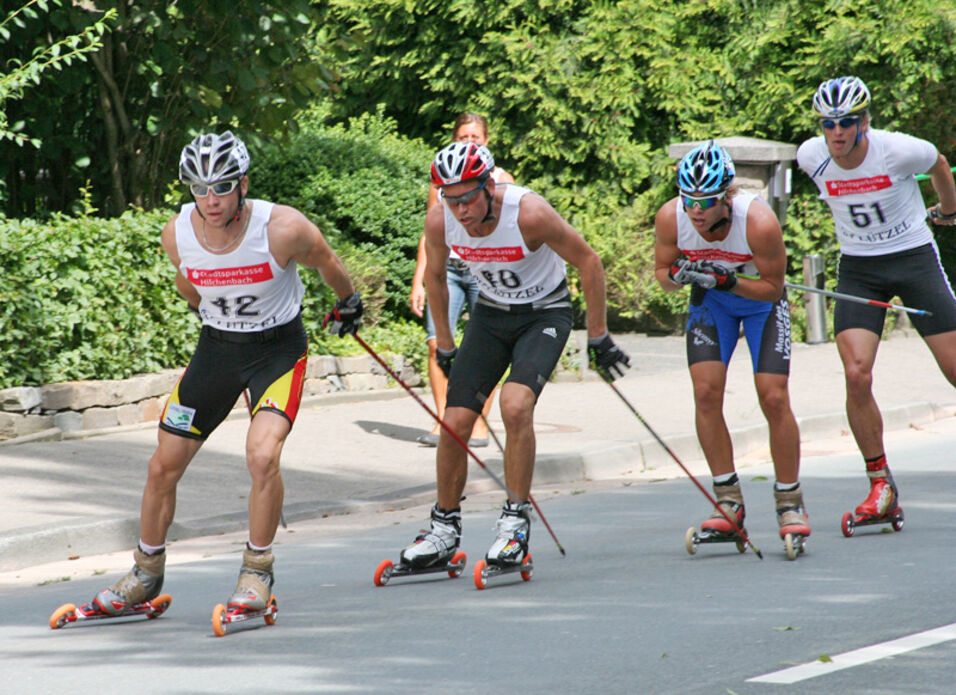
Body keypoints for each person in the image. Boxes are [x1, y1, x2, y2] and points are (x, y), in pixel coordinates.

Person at [87, 131, 361, 619]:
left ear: (243, 184)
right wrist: (213, 313)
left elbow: (328, 262)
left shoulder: (283, 228)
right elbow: (187, 281)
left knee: (262, 456)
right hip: (217, 351)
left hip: (278, 352)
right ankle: (145, 572)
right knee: (161, 466)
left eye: (221, 187)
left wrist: (348, 303)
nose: (210, 201)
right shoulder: (178, 233)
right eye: (198, 189)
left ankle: (257, 570)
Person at [397, 141, 629, 570]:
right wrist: (445, 344)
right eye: (451, 199)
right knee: (455, 422)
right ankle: (443, 529)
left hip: (545, 312)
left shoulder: (528, 213)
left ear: (488, 185)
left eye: (468, 196)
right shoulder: (441, 221)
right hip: (491, 316)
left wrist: (598, 336)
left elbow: (590, 262)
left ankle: (514, 524)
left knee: (515, 404)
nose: (461, 210)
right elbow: (434, 278)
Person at [796, 76, 956, 527]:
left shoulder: (899, 150)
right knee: (855, 373)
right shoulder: (811, 157)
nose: (837, 132)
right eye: (829, 124)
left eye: (847, 122)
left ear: (865, 121)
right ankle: (881, 485)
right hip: (860, 269)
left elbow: (940, 164)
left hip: (913, 259)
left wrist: (949, 211)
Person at [653, 140, 810, 544]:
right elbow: (662, 275)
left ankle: (789, 499)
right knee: (705, 392)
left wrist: (730, 278)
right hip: (713, 302)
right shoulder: (672, 217)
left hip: (758, 300)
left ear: (727, 196)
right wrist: (681, 275)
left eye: (706, 201)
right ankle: (728, 501)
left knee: (772, 396)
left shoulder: (757, 221)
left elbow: (774, 289)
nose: (696, 211)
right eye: (689, 199)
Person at [409, 113, 515, 447]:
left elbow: (508, 228)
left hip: (484, 270)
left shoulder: (499, 178)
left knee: (487, 349)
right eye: (462, 137)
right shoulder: (441, 180)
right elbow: (431, 230)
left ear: (486, 140)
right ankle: (444, 421)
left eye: (475, 138)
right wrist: (418, 279)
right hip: (447, 271)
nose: (469, 142)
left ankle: (480, 423)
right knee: (436, 342)